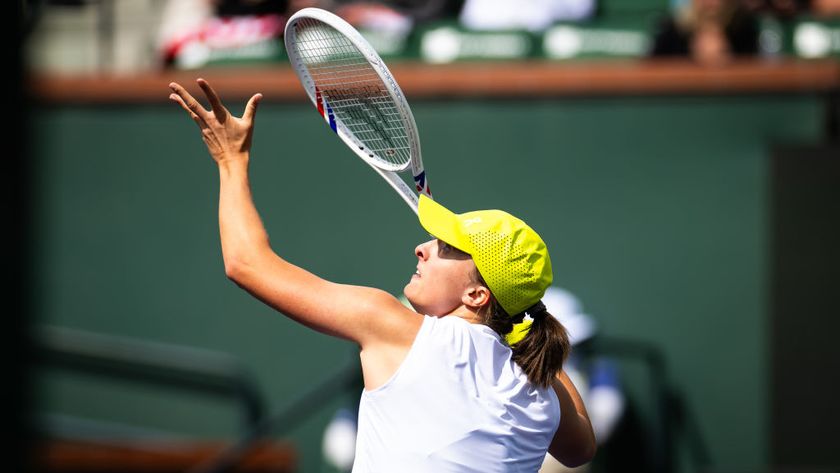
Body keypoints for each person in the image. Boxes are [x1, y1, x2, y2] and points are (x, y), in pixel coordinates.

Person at [168, 78, 597, 472]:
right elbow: (581, 450)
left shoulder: (392, 327)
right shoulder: (544, 394)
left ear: (476, 295)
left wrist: (231, 160)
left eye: (445, 247)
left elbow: (245, 263)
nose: (423, 248)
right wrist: (521, 326)